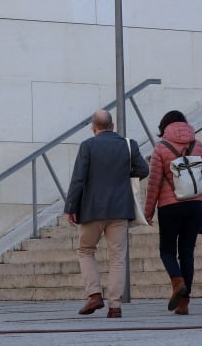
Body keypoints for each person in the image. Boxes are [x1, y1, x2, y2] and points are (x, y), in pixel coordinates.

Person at [64, 109, 150, 317]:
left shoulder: (88, 145)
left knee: (86, 250)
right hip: (119, 209)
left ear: (94, 128)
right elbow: (143, 170)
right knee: (117, 257)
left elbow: (78, 179)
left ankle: (94, 295)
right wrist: (123, 175)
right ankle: (115, 306)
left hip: (91, 209)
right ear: (112, 126)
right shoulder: (128, 145)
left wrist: (71, 208)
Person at [144, 110, 202, 315]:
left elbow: (154, 183)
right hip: (195, 205)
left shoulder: (160, 148)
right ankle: (184, 303)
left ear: (163, 127)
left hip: (169, 206)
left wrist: (147, 212)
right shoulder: (198, 146)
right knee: (187, 254)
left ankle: (177, 281)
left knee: (166, 250)